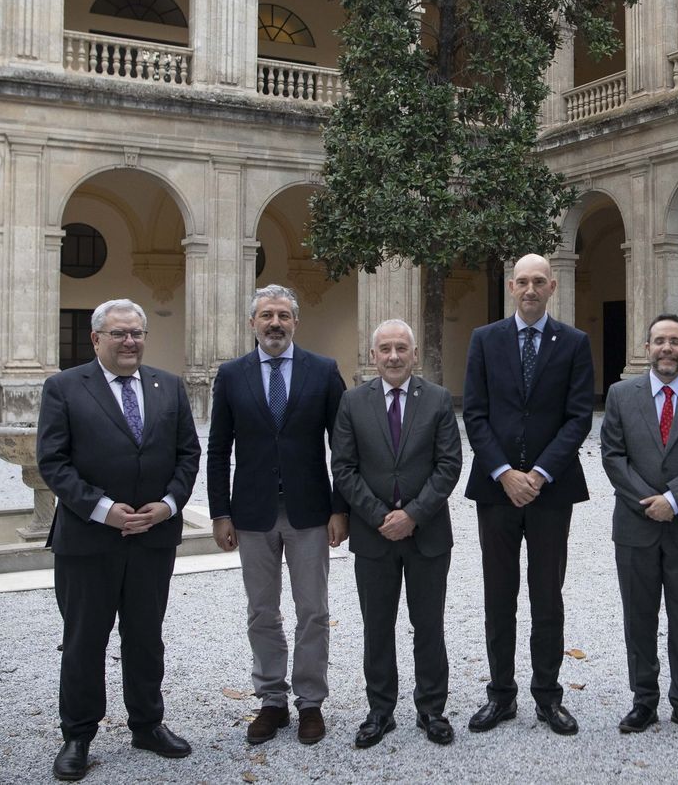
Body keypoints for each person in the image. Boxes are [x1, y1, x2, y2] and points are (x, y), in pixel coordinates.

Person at [37, 298, 200, 781]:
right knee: (84, 639)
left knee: (147, 638)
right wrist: (104, 510)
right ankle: (78, 735)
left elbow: (187, 454)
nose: (130, 341)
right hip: (89, 541)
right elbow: (53, 462)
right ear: (96, 339)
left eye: (137, 333)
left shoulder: (168, 386)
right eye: (119, 334)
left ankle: (148, 724)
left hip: (153, 537)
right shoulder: (64, 387)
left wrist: (168, 505)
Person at [207, 285, 347, 747]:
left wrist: (339, 509)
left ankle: (310, 702)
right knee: (262, 612)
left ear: (295, 322)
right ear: (253, 323)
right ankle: (272, 700)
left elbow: (342, 447)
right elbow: (218, 449)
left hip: (310, 512)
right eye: (266, 315)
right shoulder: (231, 375)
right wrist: (219, 512)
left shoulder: (323, 372)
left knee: (313, 611)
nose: (275, 323)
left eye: (283, 315)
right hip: (251, 513)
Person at [462, 253, 595, 736]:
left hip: (550, 492)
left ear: (552, 287)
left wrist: (537, 474)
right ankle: (501, 695)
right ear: (511, 286)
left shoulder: (575, 343)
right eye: (523, 281)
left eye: (540, 281)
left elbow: (579, 416)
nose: (531, 289)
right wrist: (504, 473)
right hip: (496, 492)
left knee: (547, 595)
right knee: (499, 595)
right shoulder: (485, 339)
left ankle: (547, 696)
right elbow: (475, 413)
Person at [331, 319, 463, 749]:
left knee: (428, 625)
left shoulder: (439, 399)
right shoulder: (353, 402)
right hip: (373, 537)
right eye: (384, 349)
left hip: (426, 536)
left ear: (414, 354)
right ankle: (380, 710)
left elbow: (449, 466)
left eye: (400, 349)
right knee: (377, 626)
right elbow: (344, 468)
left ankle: (432, 709)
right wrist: (379, 516)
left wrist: (413, 515)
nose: (392, 356)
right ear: (373, 356)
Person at [599, 314, 678, 738]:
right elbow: (613, 457)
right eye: (659, 341)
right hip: (636, 526)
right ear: (647, 347)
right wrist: (648, 503)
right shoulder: (620, 395)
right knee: (639, 617)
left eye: (675, 341)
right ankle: (644, 701)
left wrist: (673, 500)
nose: (667, 348)